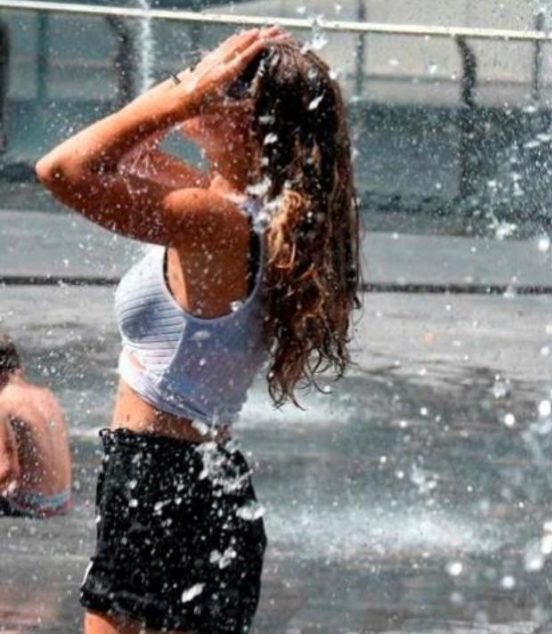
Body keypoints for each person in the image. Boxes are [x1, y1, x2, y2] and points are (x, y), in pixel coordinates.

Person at [35, 27, 361, 634]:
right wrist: (191, 95)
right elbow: (119, 155)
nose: (203, 80)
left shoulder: (215, 221)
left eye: (224, 84)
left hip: (157, 479)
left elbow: (61, 169)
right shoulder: (240, 211)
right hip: (208, 481)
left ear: (251, 122)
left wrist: (182, 99)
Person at [0, 332, 71, 518]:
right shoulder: (47, 395)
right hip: (62, 501)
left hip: (30, 504)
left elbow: (8, 469)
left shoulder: (3, 402)